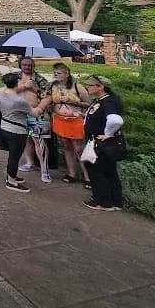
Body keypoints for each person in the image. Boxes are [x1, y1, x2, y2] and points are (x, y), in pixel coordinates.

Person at [81, 75, 124, 210]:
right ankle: (115, 201)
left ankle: (102, 202)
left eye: (90, 85)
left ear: (100, 87)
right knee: (109, 171)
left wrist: (108, 134)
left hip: (100, 143)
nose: (87, 87)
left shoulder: (108, 101)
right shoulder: (101, 100)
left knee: (96, 171)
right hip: (100, 142)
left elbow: (115, 120)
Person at [0, 73, 46, 192]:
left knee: (12, 156)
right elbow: (35, 112)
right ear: (16, 83)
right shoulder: (19, 101)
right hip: (17, 131)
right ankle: (11, 181)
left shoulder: (0, 92)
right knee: (15, 157)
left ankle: (11, 175)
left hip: (5, 126)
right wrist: (45, 101)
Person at [44, 64, 90, 185]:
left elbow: (89, 104)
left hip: (75, 121)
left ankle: (88, 176)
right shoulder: (53, 86)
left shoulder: (77, 87)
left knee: (79, 149)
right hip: (60, 119)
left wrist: (72, 102)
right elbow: (47, 100)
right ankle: (72, 173)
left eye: (59, 73)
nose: (56, 75)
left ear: (67, 74)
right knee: (66, 146)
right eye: (55, 73)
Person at [15, 57, 52, 182]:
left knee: (39, 141)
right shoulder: (15, 77)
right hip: (20, 114)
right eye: (24, 64)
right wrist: (24, 86)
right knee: (26, 139)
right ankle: (30, 162)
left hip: (36, 114)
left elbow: (47, 96)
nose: (26, 67)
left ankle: (44, 169)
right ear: (20, 65)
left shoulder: (40, 79)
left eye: (29, 65)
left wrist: (33, 88)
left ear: (33, 66)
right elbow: (8, 91)